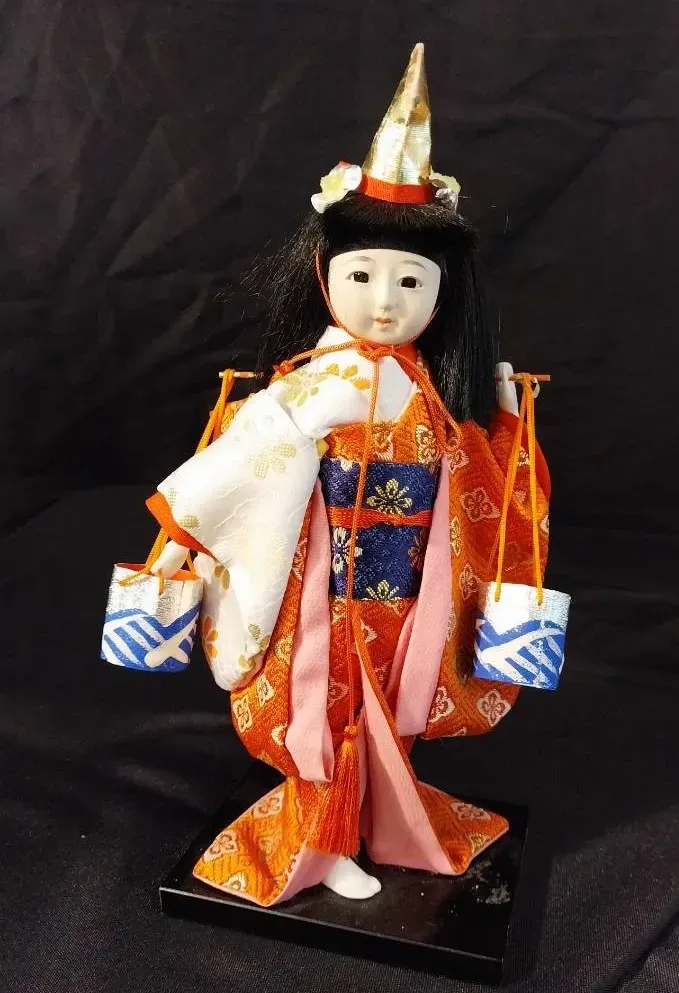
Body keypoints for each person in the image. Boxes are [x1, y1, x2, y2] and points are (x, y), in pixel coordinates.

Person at [147, 43, 550, 907]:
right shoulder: (311, 384)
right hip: (321, 584)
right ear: (325, 276)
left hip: (406, 587)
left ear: (441, 293)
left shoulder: (427, 388)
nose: (384, 300)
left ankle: (380, 818)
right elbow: (241, 463)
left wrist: (504, 425)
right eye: (361, 275)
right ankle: (320, 843)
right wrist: (183, 540)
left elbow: (472, 479)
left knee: (394, 705)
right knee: (322, 709)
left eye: (409, 280)